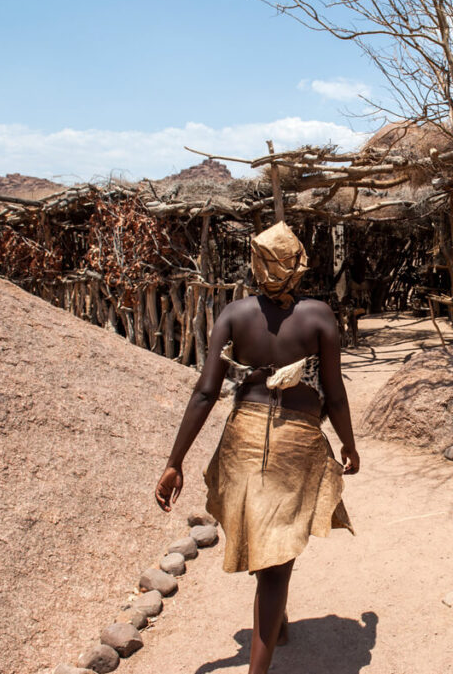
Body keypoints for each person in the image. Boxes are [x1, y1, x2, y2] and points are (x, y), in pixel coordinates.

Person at [154, 221, 358, 674]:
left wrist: (175, 462)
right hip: (296, 444)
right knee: (276, 563)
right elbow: (335, 393)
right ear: (298, 264)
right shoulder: (318, 315)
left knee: (269, 543)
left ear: (257, 265)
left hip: (242, 440)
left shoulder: (235, 314)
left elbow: (205, 392)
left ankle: (277, 624)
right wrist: (348, 444)